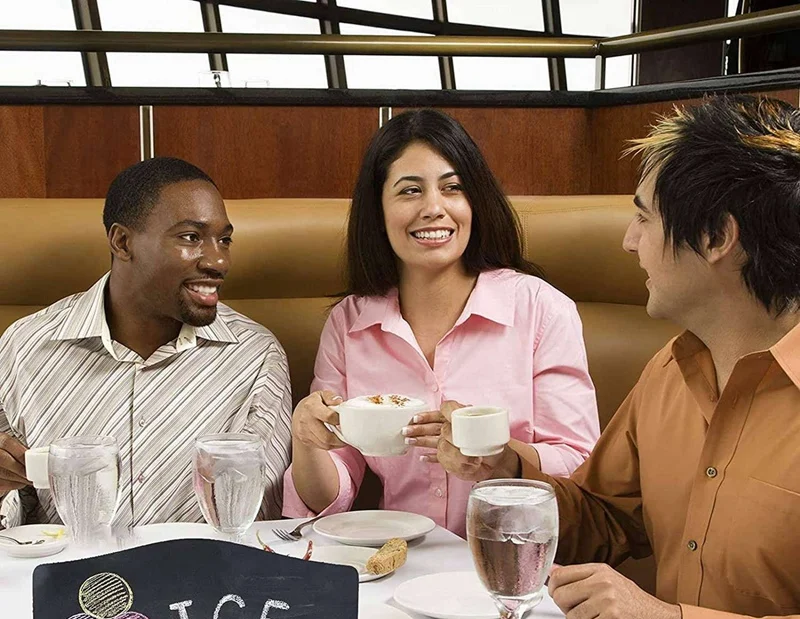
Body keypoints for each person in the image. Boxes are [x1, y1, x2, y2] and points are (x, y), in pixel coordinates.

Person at [440, 95, 800, 619]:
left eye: (644, 219)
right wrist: (508, 473)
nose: (629, 241)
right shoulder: (669, 368)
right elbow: (606, 518)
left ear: (718, 237)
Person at [284, 109, 599, 536]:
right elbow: (333, 495)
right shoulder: (348, 324)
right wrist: (307, 442)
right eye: (410, 191)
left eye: (453, 188)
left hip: (515, 561)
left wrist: (495, 455)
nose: (434, 208)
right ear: (378, 211)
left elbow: (579, 464)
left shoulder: (541, 309)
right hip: (397, 565)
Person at [0, 157, 292, 529]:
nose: (219, 261)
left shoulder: (255, 357)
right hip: (67, 578)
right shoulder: (25, 348)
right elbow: (12, 509)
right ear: (122, 242)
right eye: (191, 237)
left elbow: (259, 517)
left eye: (225, 240)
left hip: (206, 579)